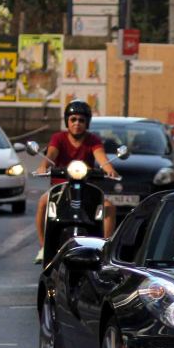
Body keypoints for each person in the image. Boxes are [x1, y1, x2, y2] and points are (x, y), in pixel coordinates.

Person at [34, 100, 120, 260]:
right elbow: (51, 154)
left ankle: (104, 247)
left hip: (86, 188)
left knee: (109, 207)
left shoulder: (93, 140)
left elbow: (101, 156)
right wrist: (43, 165)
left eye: (81, 120)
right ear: (67, 121)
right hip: (61, 188)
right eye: (73, 119)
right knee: (42, 202)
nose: (77, 123)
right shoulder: (58, 138)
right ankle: (43, 246)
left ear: (87, 122)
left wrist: (109, 169)